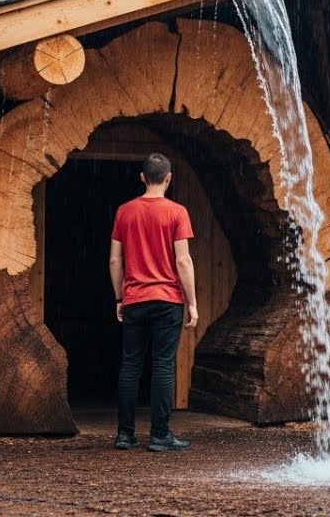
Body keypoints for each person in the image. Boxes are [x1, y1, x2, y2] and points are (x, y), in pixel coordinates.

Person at [109, 152, 199, 452]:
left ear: (142, 177)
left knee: (130, 365)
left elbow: (114, 260)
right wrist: (193, 302)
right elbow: (183, 260)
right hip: (167, 300)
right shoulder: (177, 212)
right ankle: (160, 436)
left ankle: (124, 435)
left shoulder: (124, 211)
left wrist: (120, 297)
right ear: (169, 178)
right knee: (162, 366)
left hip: (134, 299)